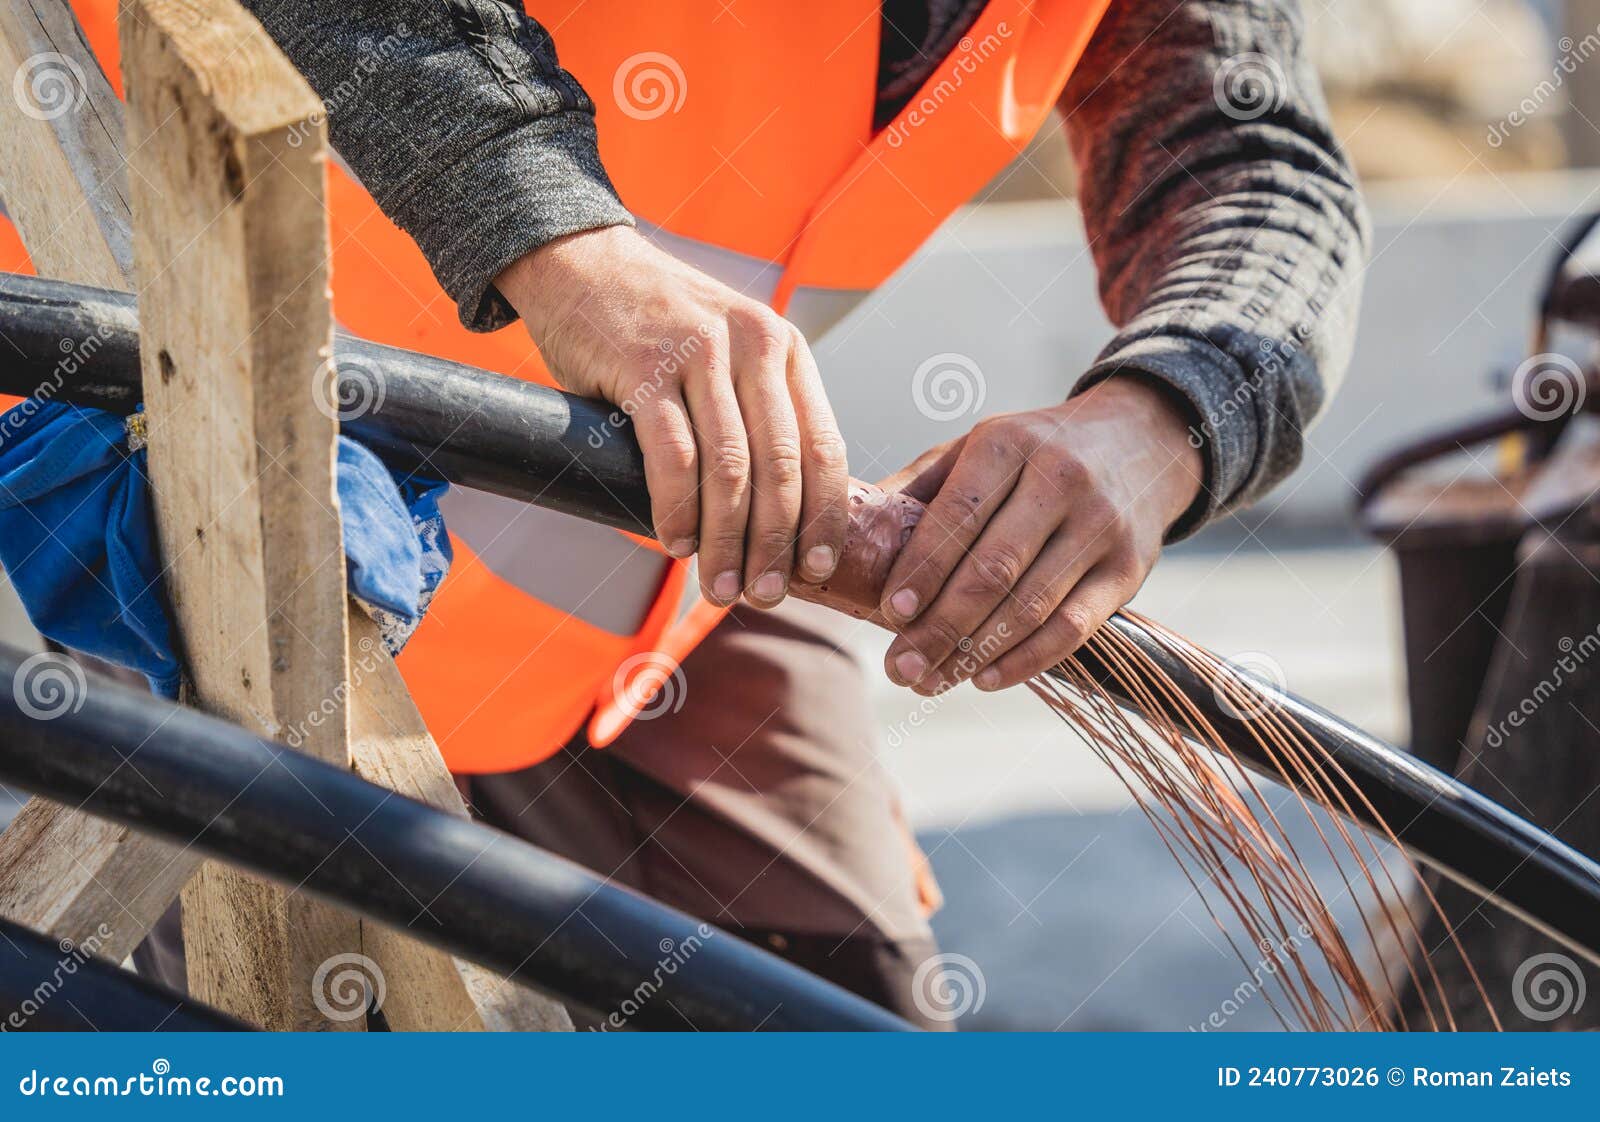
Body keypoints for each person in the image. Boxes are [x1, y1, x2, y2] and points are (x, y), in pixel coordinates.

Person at [136, 0, 1367, 1028]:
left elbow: (1248, 157)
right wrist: (556, 235)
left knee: (843, 1017)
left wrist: (1164, 415)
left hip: (672, 571)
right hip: (202, 503)